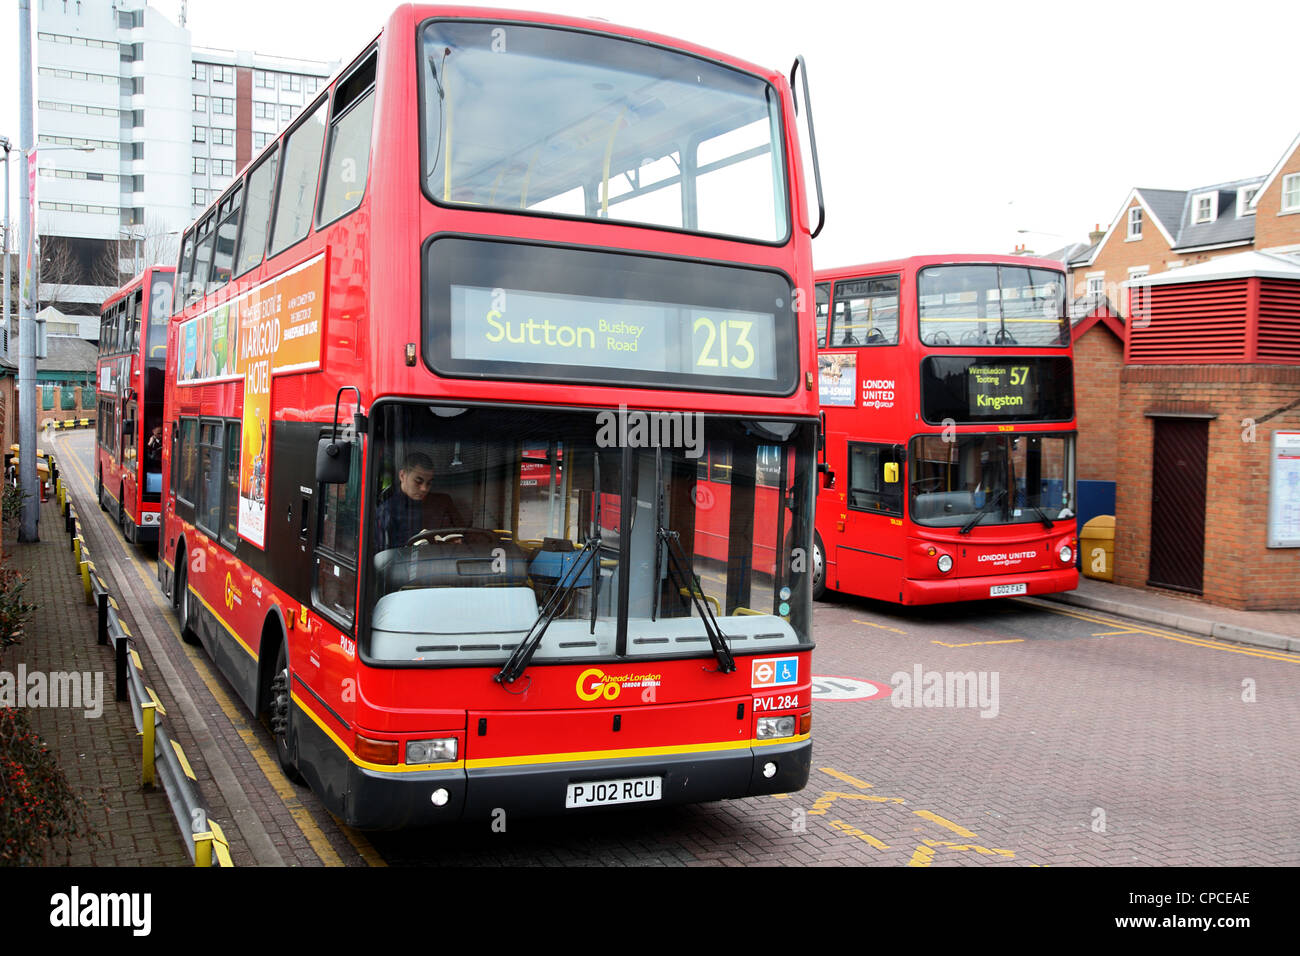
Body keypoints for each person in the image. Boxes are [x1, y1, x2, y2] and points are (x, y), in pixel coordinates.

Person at [375, 451, 463, 550]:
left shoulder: (443, 503)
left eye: (429, 483)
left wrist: (457, 541)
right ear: (402, 476)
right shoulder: (387, 511)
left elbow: (464, 533)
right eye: (418, 482)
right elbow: (383, 553)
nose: (424, 488)